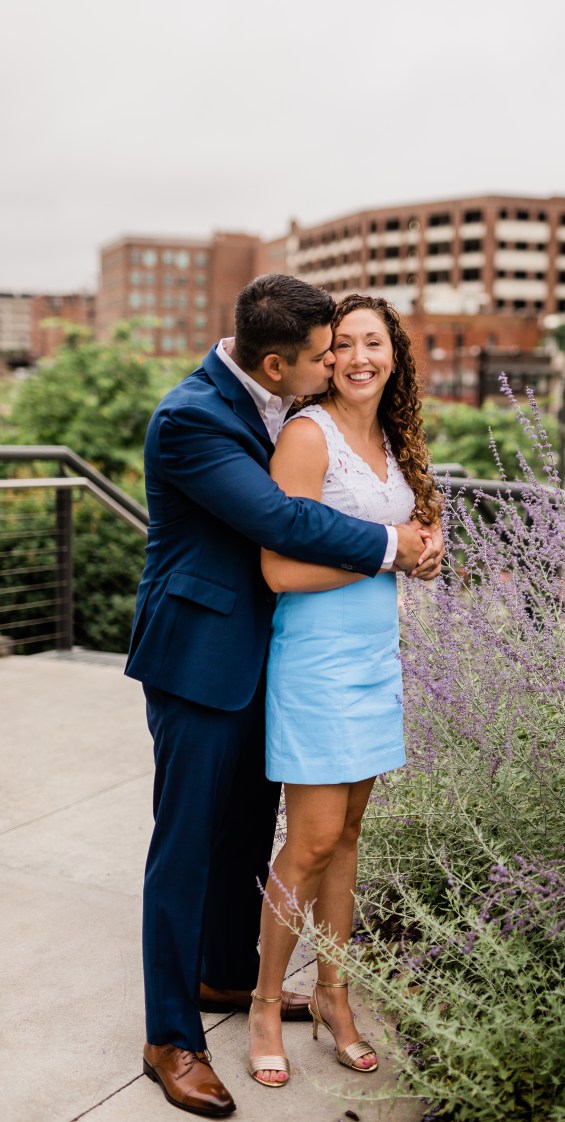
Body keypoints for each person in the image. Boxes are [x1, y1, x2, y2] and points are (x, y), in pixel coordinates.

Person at [125, 275, 444, 1118]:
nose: (335, 364)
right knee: (186, 846)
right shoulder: (191, 417)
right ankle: (170, 1037)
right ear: (277, 363)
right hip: (199, 658)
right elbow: (282, 523)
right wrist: (395, 544)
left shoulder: (274, 398)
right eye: (322, 354)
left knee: (244, 832)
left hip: (272, 655)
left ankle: (226, 975)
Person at [247, 293, 442, 1088]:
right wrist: (392, 555)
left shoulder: (393, 439)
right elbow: (280, 569)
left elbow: (403, 539)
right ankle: (266, 1004)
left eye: (374, 343)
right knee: (310, 843)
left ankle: (334, 994)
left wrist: (422, 553)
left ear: (394, 356)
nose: (360, 358)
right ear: (326, 358)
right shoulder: (307, 434)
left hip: (375, 657)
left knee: (349, 836)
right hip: (318, 663)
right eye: (345, 345)